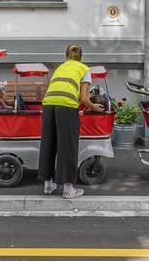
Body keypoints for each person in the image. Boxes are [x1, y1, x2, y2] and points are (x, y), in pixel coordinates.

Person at [39, 44, 104, 198]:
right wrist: (94, 107)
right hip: (66, 106)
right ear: (81, 56)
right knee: (67, 146)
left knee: (49, 143)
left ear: (65, 55)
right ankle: (68, 189)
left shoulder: (60, 68)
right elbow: (83, 98)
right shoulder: (84, 69)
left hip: (48, 105)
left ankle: (48, 185)